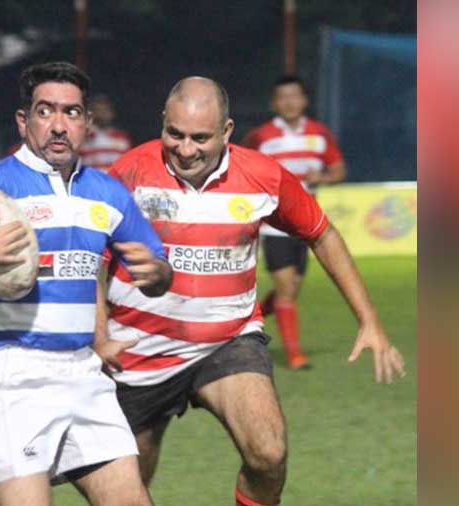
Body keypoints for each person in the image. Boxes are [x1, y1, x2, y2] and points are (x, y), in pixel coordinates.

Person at [95, 77, 405, 506]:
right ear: (162, 123)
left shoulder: (263, 176)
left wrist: (368, 319)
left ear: (226, 131)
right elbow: (96, 261)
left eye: (200, 138)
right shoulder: (129, 171)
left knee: (269, 453)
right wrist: (97, 337)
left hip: (228, 342)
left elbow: (322, 233)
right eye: (175, 134)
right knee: (128, 486)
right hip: (138, 352)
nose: (186, 149)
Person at [0, 61, 172, 506]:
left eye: (72, 113)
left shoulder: (108, 193)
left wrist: (156, 275)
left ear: (87, 122)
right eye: (45, 111)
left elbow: (159, 272)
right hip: (8, 371)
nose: (59, 125)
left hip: (83, 370)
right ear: (24, 120)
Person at [241, 75, 347, 369]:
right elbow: (239, 165)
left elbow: (339, 170)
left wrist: (323, 177)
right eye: (283, 97)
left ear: (304, 100)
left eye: (294, 96)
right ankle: (294, 355)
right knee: (287, 289)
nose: (289, 102)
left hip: (306, 224)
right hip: (274, 225)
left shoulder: (319, 134)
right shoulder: (261, 136)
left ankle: (250, 318)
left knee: (290, 289)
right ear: (275, 103)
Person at [78, 94, 133, 172]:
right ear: (91, 113)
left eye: (105, 110)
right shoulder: (83, 136)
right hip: (91, 181)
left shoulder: (122, 138)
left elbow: (128, 164)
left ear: (111, 113)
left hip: (115, 181)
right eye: (99, 110)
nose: (103, 113)